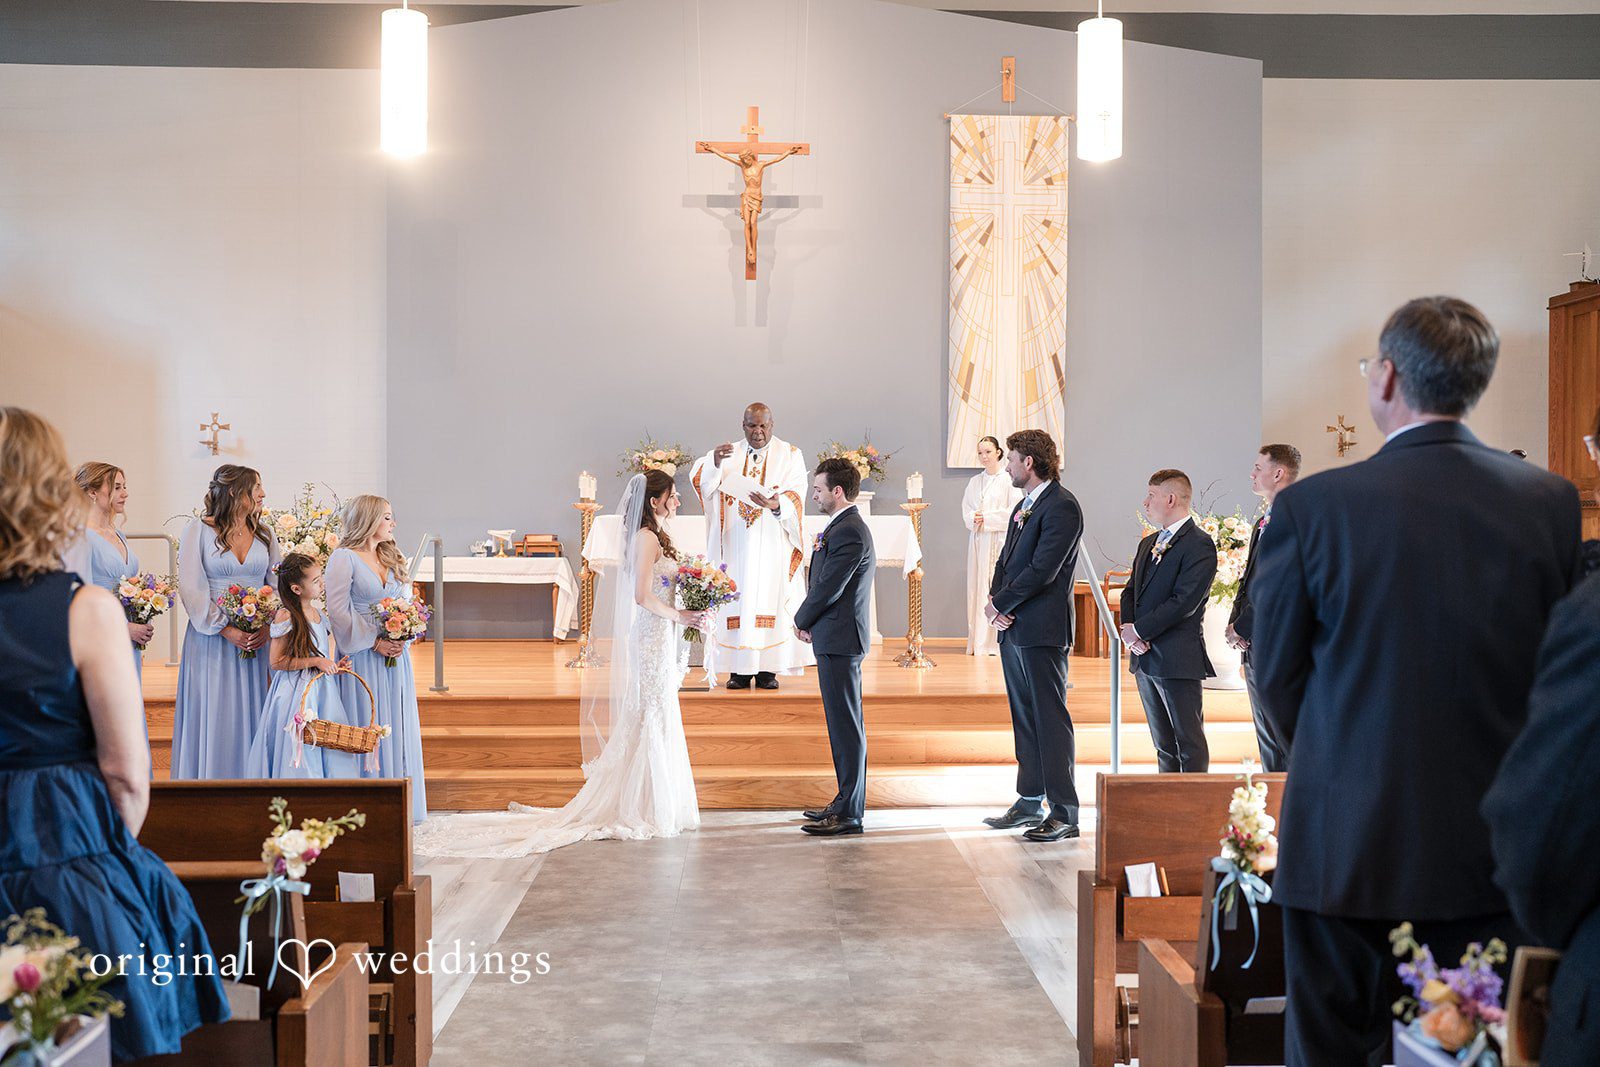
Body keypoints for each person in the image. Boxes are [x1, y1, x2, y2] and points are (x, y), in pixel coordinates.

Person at [1249, 296, 1581, 1065]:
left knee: (1330, 1048)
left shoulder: (1314, 505)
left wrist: (1340, 756)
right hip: (1487, 852)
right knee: (1466, 1051)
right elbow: (1556, 680)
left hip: (1342, 845)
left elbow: (1275, 676)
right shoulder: (1548, 503)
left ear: (1387, 377)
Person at [0, 407, 229, 1061]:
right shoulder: (84, 609)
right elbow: (127, 774)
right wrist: (101, 857)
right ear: (48, 492)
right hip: (62, 848)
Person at [412, 470, 706, 857]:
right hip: (653, 635)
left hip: (658, 635)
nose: (678, 501)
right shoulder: (648, 538)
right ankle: (646, 805)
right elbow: (641, 597)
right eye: (673, 495)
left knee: (655, 711)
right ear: (654, 501)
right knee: (652, 711)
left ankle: (652, 800)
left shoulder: (652, 536)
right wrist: (679, 616)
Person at [982, 429, 1084, 842]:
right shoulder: (1022, 507)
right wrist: (996, 601)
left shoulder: (1063, 507)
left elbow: (1044, 570)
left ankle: (1064, 811)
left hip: (1042, 628)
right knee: (1024, 717)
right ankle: (1029, 800)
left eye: (1011, 458)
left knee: (1050, 718)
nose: (1006, 465)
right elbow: (1005, 561)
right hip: (1015, 627)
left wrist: (1003, 604)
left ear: (1029, 462)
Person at [688, 402, 814, 690]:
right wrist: (715, 464)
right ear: (742, 425)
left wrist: (776, 503)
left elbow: (797, 494)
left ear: (772, 425)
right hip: (735, 548)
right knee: (737, 600)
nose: (757, 432)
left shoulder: (791, 455)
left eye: (763, 426)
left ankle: (769, 670)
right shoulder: (727, 453)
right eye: (751, 426)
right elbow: (702, 482)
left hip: (772, 545)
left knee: (769, 599)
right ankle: (738, 671)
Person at [325, 496, 427, 823]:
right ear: (368, 520)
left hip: (396, 655)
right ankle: (370, 804)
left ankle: (401, 802)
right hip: (363, 655)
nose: (393, 523)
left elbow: (407, 599)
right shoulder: (344, 558)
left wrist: (405, 632)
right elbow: (338, 612)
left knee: (396, 719)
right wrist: (375, 641)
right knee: (367, 720)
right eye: (387, 517)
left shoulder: (390, 554)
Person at [173, 465, 279, 779]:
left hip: (258, 641)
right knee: (217, 714)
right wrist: (227, 629)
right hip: (212, 641)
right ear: (235, 492)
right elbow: (191, 587)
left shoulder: (265, 533)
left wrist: (265, 622)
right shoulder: (198, 530)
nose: (262, 494)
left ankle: (254, 782)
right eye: (256, 487)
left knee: (256, 711)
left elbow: (276, 583)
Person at [794, 458, 876, 836]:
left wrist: (801, 618)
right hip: (835, 636)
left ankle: (848, 812)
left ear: (837, 491)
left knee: (846, 727)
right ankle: (845, 801)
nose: (814, 494)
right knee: (843, 725)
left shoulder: (849, 531)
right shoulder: (843, 527)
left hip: (841, 639)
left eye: (818, 488)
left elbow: (829, 585)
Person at [1120, 469, 1216, 774]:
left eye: (1151, 494)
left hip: (1176, 657)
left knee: (1188, 742)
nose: (1145, 502)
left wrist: (1140, 630)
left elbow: (1184, 602)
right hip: (1145, 658)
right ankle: (1168, 806)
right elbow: (1130, 591)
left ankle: (1195, 812)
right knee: (1163, 744)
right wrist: (1129, 630)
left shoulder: (1199, 545)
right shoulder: (1148, 545)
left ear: (1171, 498)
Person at [245, 553, 361, 779]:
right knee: (301, 746)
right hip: (295, 694)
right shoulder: (286, 616)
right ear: (297, 589)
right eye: (316, 581)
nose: (322, 583)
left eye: (321, 577)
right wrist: (316, 661)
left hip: (321, 691)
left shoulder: (319, 614)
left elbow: (319, 652)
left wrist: (334, 665)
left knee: (326, 741)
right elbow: (276, 662)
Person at [1225, 443, 1301, 772]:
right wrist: (1235, 624)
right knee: (1266, 736)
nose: (1252, 473)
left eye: (1258, 467)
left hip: (1279, 641)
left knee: (1283, 735)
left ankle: (1290, 809)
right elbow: (1249, 581)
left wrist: (1243, 627)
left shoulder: (1292, 517)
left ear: (1278, 472)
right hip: (1256, 642)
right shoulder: (1264, 520)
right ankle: (1273, 802)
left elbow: (1279, 584)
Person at [69, 462, 149, 679]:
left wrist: (143, 615)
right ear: (92, 492)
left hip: (129, 637)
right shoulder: (81, 537)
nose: (125, 493)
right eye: (117, 487)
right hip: (101, 635)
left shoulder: (117, 534)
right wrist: (124, 627)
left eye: (124, 486)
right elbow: (79, 596)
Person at [962, 435, 1023, 656]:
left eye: (988, 451)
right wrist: (973, 518)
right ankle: (979, 641)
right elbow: (966, 509)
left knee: (996, 585)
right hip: (979, 541)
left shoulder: (1008, 480)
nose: (983, 456)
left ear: (998, 452)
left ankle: (996, 641)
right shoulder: (974, 482)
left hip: (999, 539)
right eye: (980, 453)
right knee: (977, 587)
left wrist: (986, 517)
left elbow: (1015, 512)